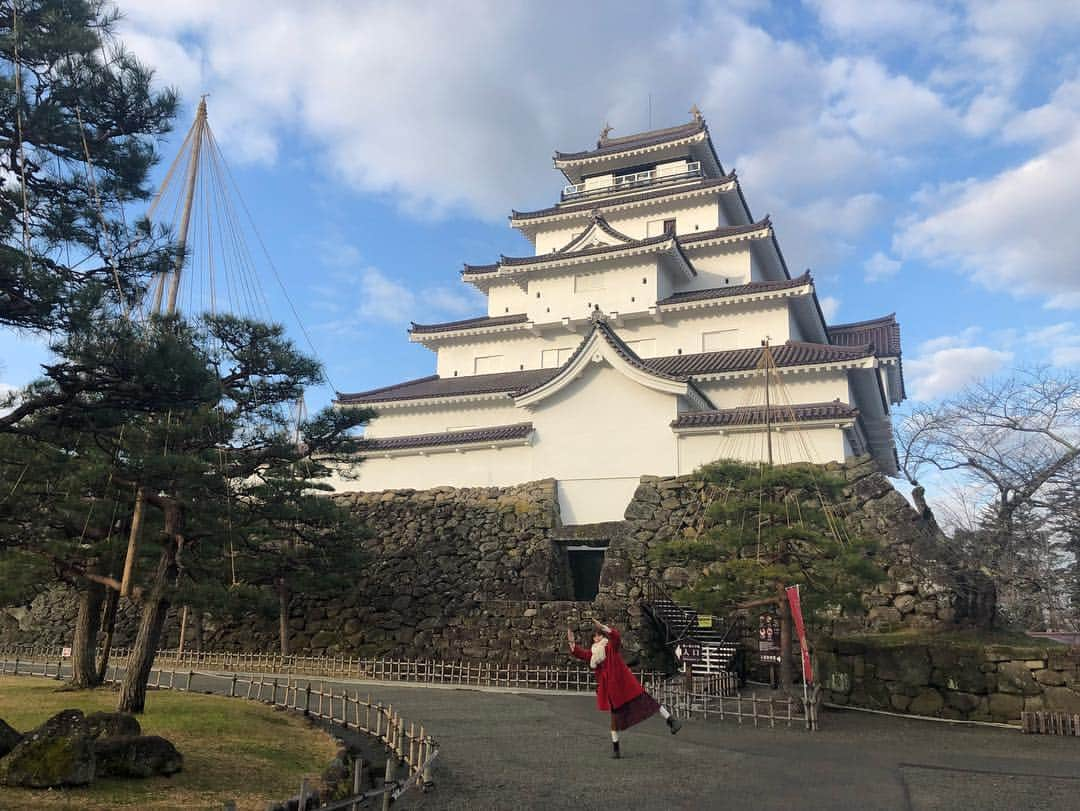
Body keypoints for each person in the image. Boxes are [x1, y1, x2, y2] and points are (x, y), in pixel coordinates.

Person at [567, 618, 681, 758]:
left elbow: (616, 637)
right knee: (614, 720)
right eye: (595, 636)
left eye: (599, 635)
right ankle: (616, 749)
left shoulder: (610, 648)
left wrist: (603, 627)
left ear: (603, 636)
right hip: (613, 692)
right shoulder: (593, 655)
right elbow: (580, 654)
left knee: (648, 702)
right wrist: (572, 643)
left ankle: (671, 720)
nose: (596, 638)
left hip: (625, 685)